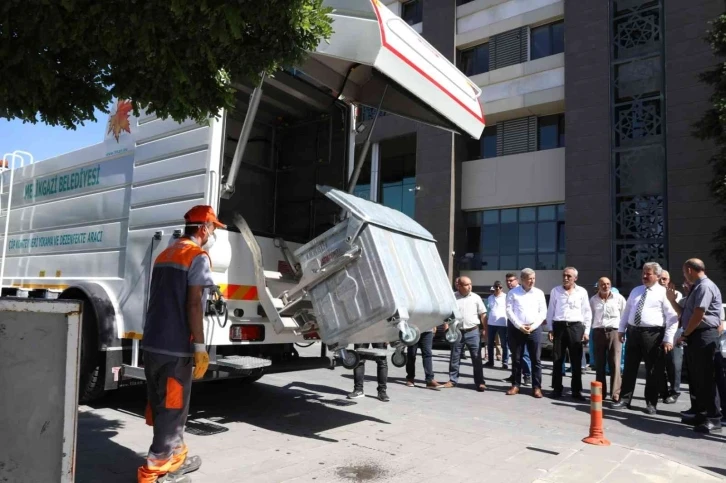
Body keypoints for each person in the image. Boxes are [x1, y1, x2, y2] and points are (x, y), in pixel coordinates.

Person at [138, 205, 223, 483]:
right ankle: (153, 473)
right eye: (213, 229)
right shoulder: (197, 256)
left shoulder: (165, 254)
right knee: (172, 410)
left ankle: (175, 457)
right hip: (176, 348)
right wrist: (200, 347)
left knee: (163, 406)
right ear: (202, 229)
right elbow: (193, 304)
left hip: (152, 343)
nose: (213, 234)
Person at [613, 262, 679, 415]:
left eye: (648, 274)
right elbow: (627, 311)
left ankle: (651, 403)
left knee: (653, 370)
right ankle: (624, 399)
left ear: (657, 276)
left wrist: (668, 339)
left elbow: (673, 318)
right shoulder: (636, 290)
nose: (644, 276)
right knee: (630, 367)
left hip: (653, 334)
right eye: (643, 273)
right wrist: (621, 330)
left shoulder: (664, 293)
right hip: (633, 332)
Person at [678, 259, 723, 434]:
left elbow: (699, 314)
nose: (684, 275)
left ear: (689, 269)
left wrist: (685, 334)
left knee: (707, 378)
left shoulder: (705, 286)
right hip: (696, 336)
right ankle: (703, 413)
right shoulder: (697, 287)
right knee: (698, 379)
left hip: (703, 336)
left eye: (684, 272)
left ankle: (714, 418)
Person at [547, 267, 593, 400]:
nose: (565, 278)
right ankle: (556, 389)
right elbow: (551, 311)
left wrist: (586, 331)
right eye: (564, 275)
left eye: (569, 276)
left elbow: (587, 313)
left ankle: (576, 391)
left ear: (575, 278)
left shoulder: (582, 292)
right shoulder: (555, 291)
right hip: (559, 327)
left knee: (576, 361)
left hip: (576, 327)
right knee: (557, 359)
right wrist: (550, 328)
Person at [505, 268, 547, 397]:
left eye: (534, 278)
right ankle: (516, 385)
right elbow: (509, 311)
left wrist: (533, 326)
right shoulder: (513, 293)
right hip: (517, 329)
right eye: (529, 279)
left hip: (534, 329)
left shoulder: (539, 293)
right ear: (522, 279)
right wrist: (519, 325)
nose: (532, 281)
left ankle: (536, 387)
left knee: (536, 359)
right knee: (517, 358)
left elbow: (543, 312)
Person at [443, 276, 487, 391]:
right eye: (467, 284)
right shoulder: (453, 297)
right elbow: (447, 314)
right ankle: (453, 380)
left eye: (470, 284)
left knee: (476, 358)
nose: (470, 286)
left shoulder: (476, 298)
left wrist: (485, 329)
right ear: (460, 286)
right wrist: (447, 328)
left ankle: (480, 382)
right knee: (455, 356)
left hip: (473, 332)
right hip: (457, 332)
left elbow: (483, 314)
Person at [590, 277, 626, 402]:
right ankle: (600, 392)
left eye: (608, 284)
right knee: (599, 364)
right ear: (598, 286)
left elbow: (624, 315)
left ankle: (616, 393)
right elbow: (591, 316)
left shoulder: (619, 298)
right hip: (598, 332)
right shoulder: (593, 300)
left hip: (614, 332)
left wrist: (623, 332)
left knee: (615, 363)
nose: (605, 286)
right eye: (602, 284)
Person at [503, 273, 532, 387]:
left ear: (517, 280)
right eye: (507, 281)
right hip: (511, 326)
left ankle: (527, 376)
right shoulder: (510, 293)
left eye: (511, 280)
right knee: (514, 352)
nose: (509, 283)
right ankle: (515, 375)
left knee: (523, 352)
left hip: (522, 326)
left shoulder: (522, 292)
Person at [659, 270, 684, 404]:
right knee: (659, 363)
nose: (662, 281)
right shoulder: (654, 293)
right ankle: (662, 391)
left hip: (674, 330)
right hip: (658, 330)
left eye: (664, 279)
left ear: (669, 280)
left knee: (674, 362)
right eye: (660, 278)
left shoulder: (676, 294)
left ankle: (675, 392)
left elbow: (678, 313)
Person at [405, 324, 441, 389]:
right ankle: (410, 378)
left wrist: (434, 324)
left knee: (428, 354)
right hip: (413, 329)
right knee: (411, 354)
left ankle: (430, 380)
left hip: (427, 329)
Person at [485, 281, 508, 369]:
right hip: (491, 323)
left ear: (502, 288)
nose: (498, 288)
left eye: (499, 287)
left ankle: (505, 362)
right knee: (490, 343)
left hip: (503, 323)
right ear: (493, 287)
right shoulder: (490, 297)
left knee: (504, 344)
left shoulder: (506, 297)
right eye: (496, 287)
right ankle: (491, 362)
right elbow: (488, 310)